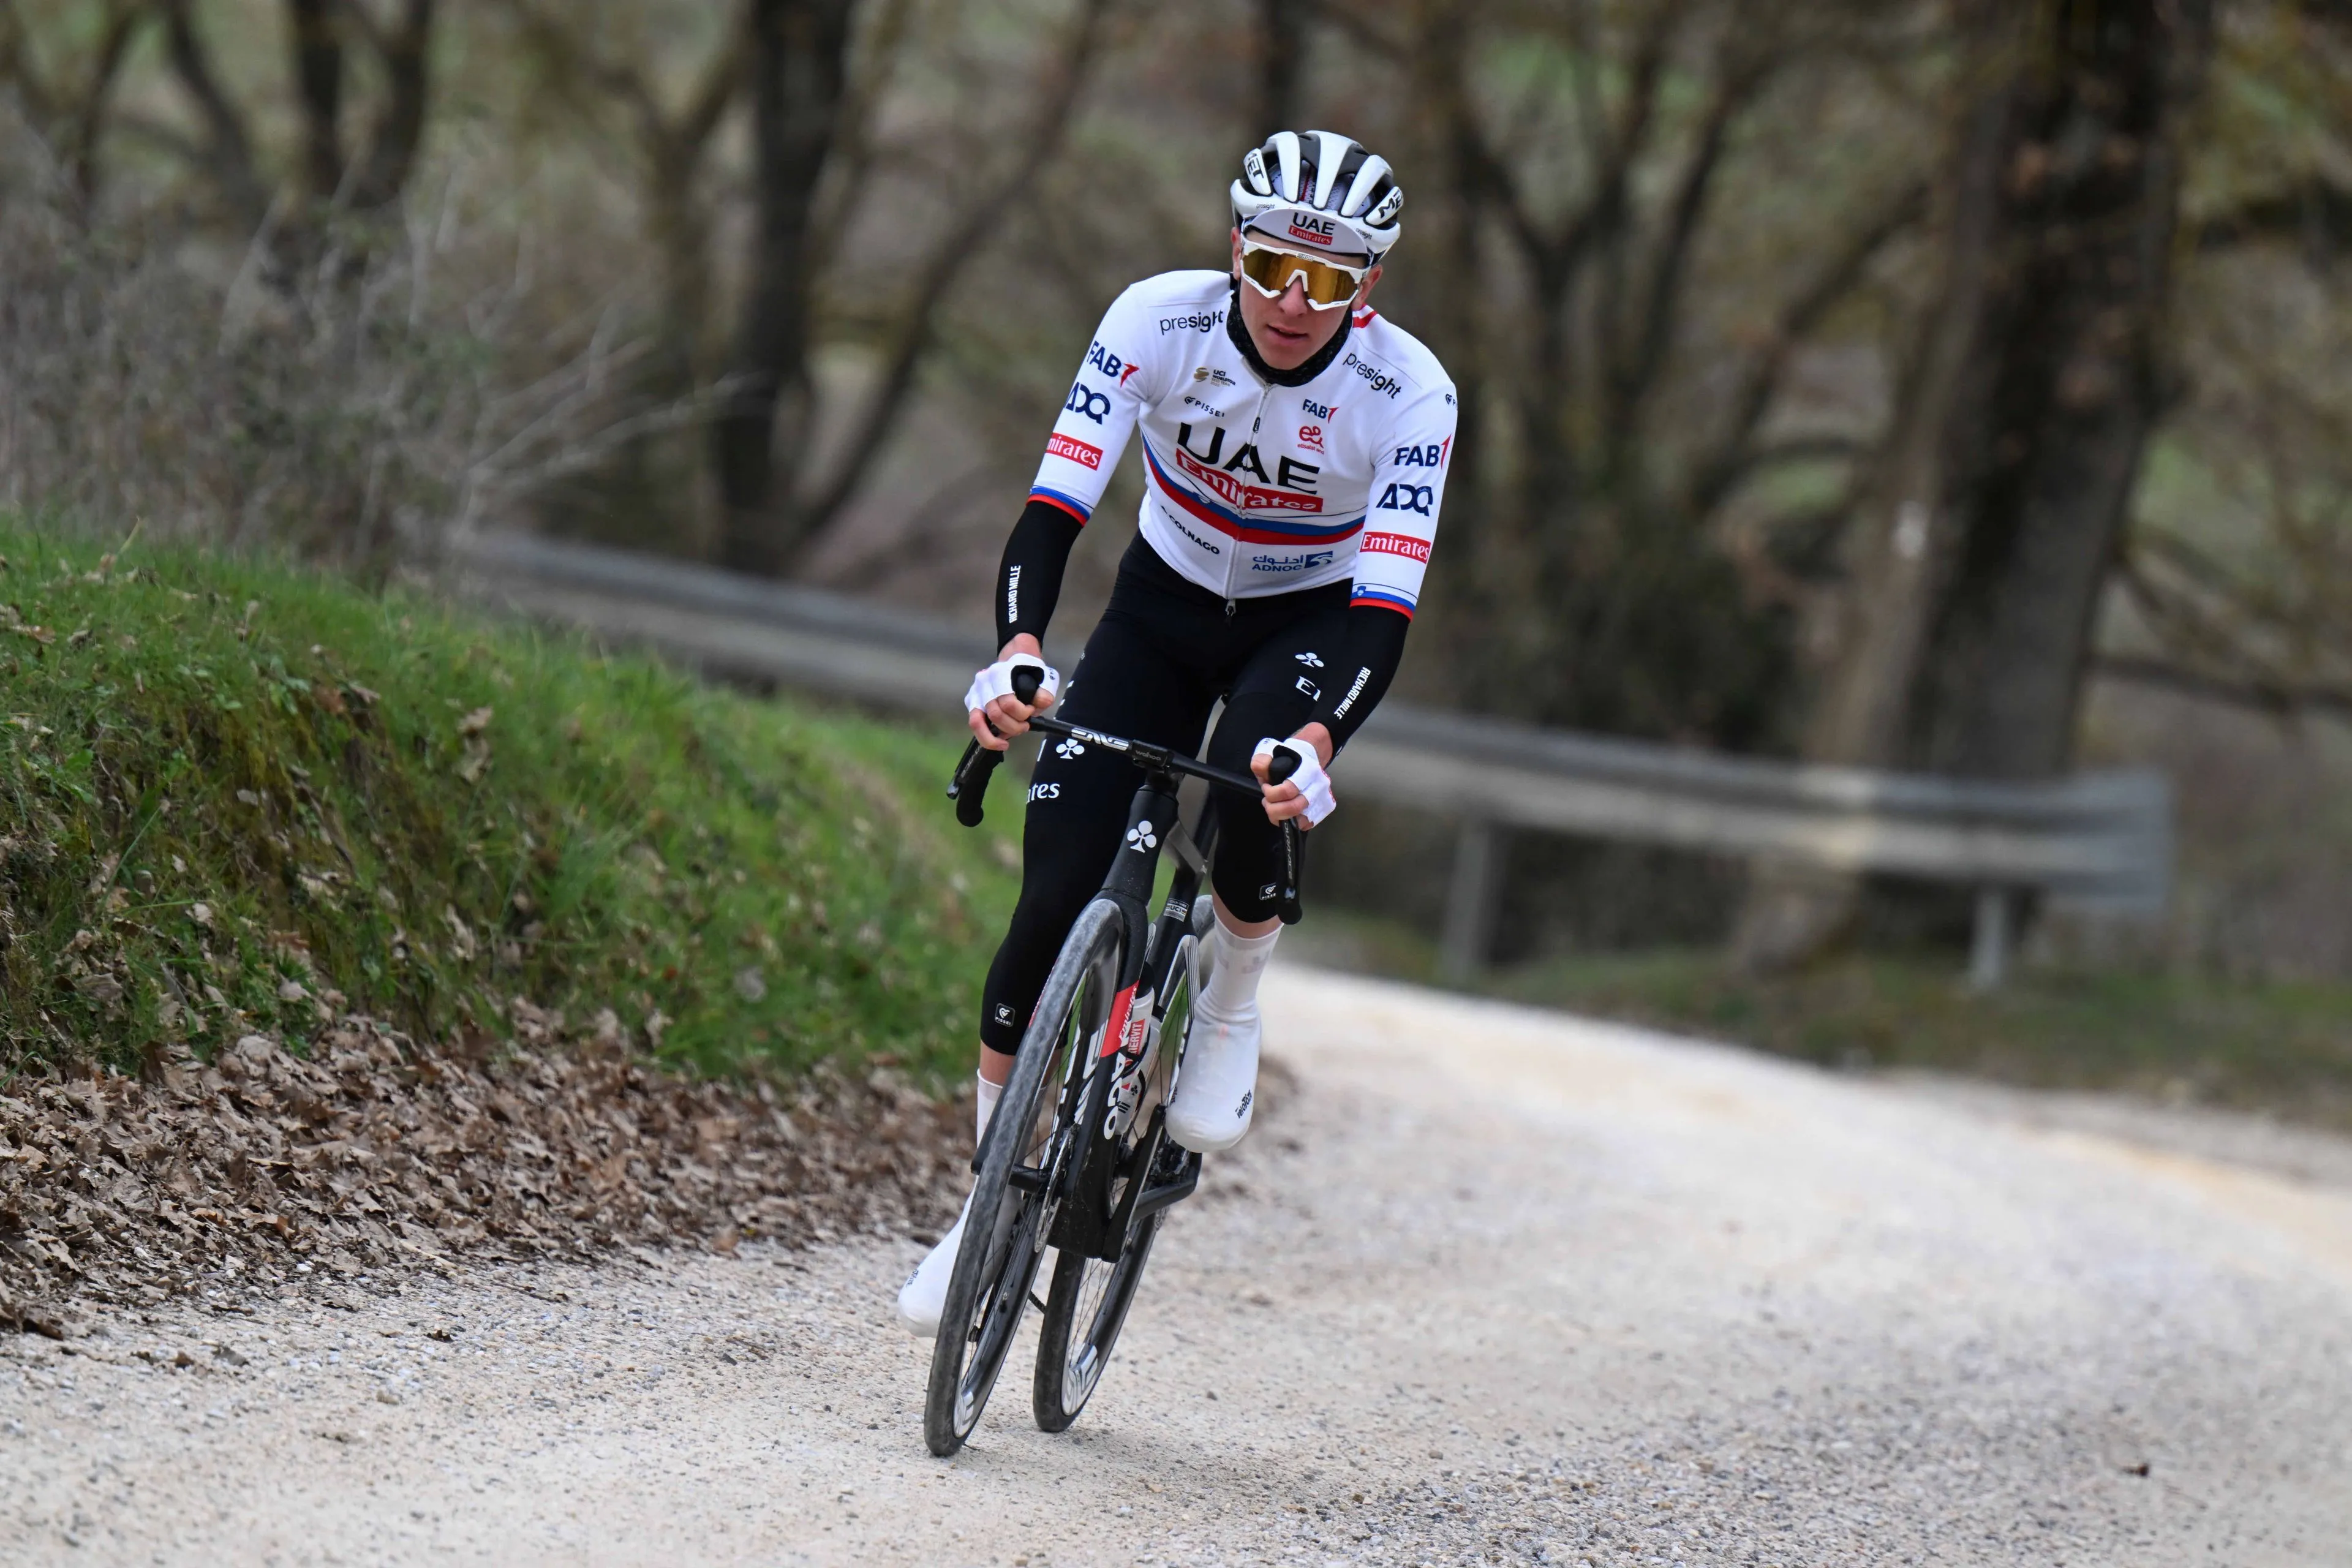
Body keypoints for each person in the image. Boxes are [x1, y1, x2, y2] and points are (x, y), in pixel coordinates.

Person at [899, 130, 1457, 1335]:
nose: (1295, 303)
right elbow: (1054, 507)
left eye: (1332, 280)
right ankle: (982, 1207)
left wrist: (1317, 741)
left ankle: (1236, 989)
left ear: (1373, 286)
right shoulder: (1159, 321)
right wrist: (1018, 650)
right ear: (1236, 253)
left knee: (1257, 792)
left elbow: (1385, 611)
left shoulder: (1410, 394)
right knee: (1050, 901)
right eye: (1271, 270)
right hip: (1161, 599)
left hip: (1303, 622)